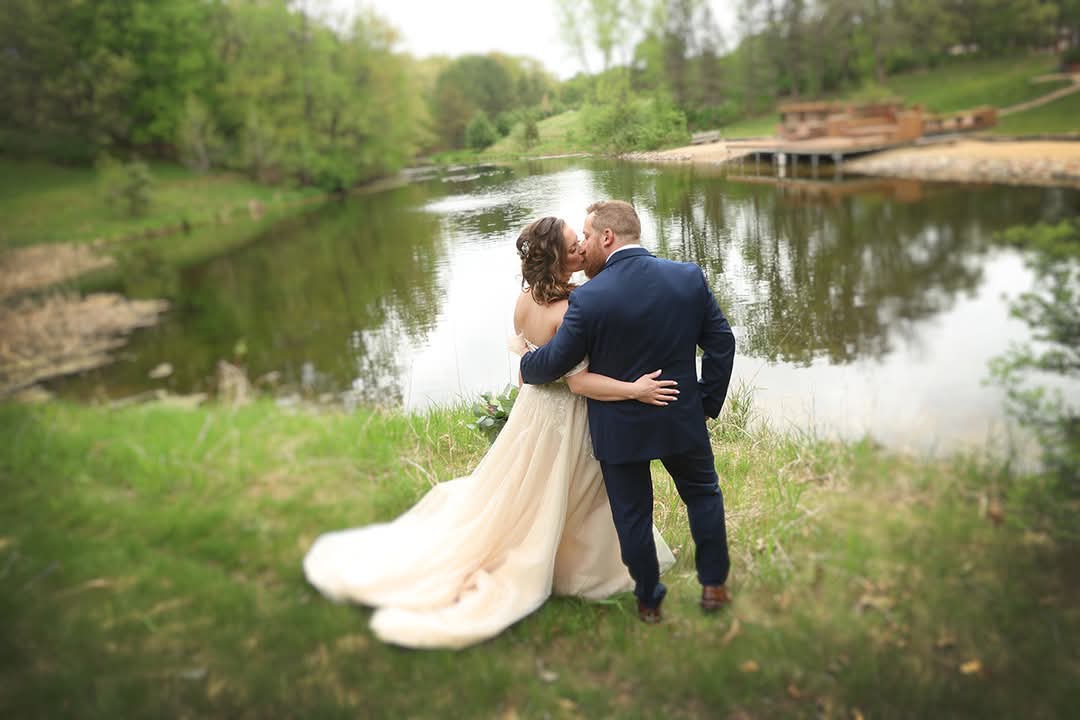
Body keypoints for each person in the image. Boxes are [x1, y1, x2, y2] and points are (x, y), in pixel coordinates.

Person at [302, 215, 677, 649]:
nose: (581, 249)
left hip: (533, 412)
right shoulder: (575, 307)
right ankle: (583, 568)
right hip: (571, 416)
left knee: (532, 488)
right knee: (577, 489)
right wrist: (635, 389)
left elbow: (523, 373)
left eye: (581, 241)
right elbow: (577, 382)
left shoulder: (525, 300)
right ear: (556, 256)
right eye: (573, 244)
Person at [520, 200, 736, 624]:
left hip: (620, 430)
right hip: (680, 416)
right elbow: (722, 343)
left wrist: (526, 362)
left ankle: (649, 601)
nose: (582, 245)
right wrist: (703, 404)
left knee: (632, 516)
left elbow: (553, 363)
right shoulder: (687, 278)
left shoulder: (590, 299)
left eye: (585, 236)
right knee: (703, 496)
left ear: (607, 237)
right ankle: (714, 587)